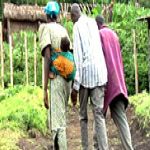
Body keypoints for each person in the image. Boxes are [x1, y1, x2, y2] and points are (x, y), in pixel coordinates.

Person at [70, 4, 109, 150]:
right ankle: (104, 148)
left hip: (86, 76)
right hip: (99, 73)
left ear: (73, 16)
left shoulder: (76, 27)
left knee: (83, 117)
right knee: (99, 115)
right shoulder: (93, 22)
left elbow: (78, 57)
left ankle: (86, 148)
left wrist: (75, 86)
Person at [96, 15, 134, 150]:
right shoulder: (114, 34)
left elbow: (100, 60)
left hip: (106, 83)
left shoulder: (99, 35)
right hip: (118, 82)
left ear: (97, 25)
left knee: (98, 117)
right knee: (121, 119)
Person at [39, 1, 71, 150]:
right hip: (66, 79)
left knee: (56, 123)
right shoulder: (63, 29)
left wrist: (44, 88)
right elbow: (69, 54)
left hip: (56, 79)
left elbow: (47, 57)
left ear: (47, 14)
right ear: (57, 14)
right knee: (61, 118)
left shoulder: (46, 28)